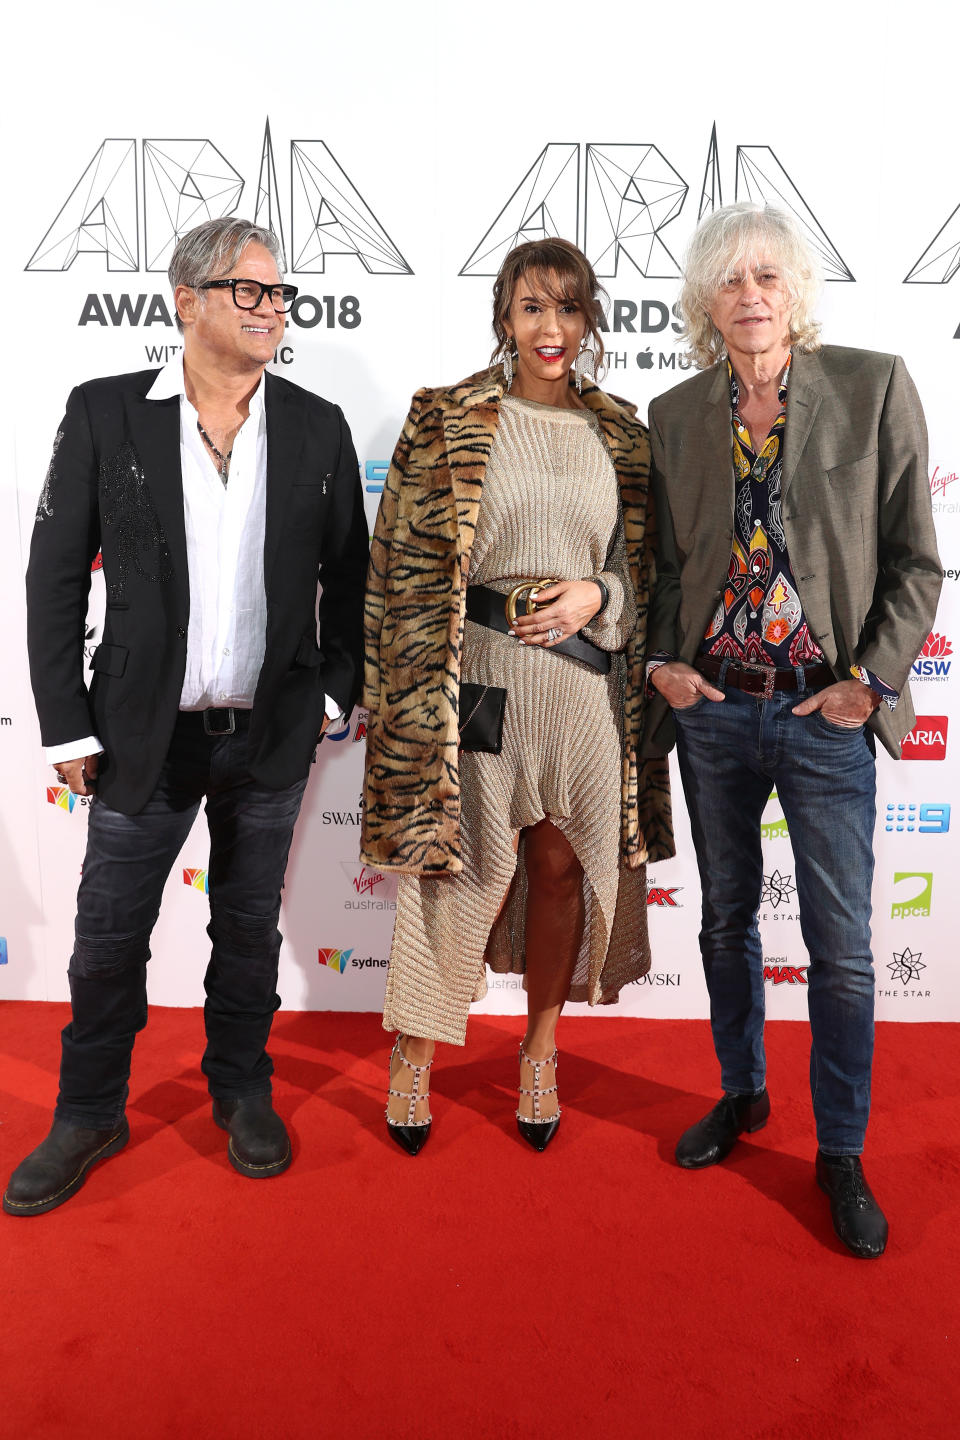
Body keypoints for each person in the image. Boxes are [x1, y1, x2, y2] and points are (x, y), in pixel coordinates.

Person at [4, 218, 368, 1215]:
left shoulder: (317, 425)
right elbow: (51, 583)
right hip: (138, 738)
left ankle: (241, 1090)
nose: (268, 308)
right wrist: (70, 727)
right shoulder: (106, 414)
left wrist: (336, 693)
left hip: (272, 736)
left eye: (276, 293)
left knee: (248, 931)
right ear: (186, 300)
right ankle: (89, 1112)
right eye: (246, 290)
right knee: (108, 937)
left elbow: (353, 579)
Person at [644, 202, 941, 1257]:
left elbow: (916, 561)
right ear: (706, 302)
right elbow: (664, 569)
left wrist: (871, 680)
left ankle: (842, 1153)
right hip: (715, 712)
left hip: (826, 713)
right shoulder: (674, 414)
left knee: (843, 952)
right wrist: (662, 666)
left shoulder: (871, 386)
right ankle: (742, 1096)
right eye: (730, 280)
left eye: (768, 276)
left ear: (795, 293)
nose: (751, 294)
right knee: (725, 922)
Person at [362, 238, 673, 1155]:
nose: (552, 329)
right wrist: (401, 698)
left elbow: (641, 578)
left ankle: (540, 1053)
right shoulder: (448, 418)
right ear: (504, 315)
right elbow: (400, 569)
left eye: (569, 309)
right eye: (534, 307)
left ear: (589, 322)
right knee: (457, 877)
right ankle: (413, 1056)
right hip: (479, 688)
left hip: (584, 692)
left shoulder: (622, 433)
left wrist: (597, 597)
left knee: (561, 871)